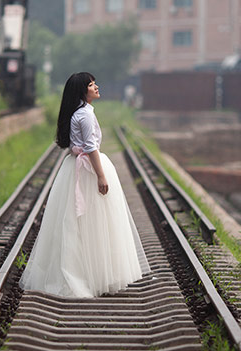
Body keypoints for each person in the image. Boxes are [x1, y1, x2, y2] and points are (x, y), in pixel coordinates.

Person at [19, 72, 149, 297]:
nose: (96, 87)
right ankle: (89, 275)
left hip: (74, 169)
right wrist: (101, 175)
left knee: (76, 223)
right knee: (93, 223)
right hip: (87, 171)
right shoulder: (85, 115)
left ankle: (84, 273)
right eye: (91, 85)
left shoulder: (79, 113)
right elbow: (90, 148)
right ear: (82, 91)